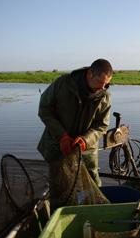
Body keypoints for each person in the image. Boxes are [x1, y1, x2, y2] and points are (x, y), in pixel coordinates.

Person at [37, 59, 112, 209]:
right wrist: (62, 136)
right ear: (90, 74)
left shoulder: (104, 95)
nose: (103, 87)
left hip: (86, 150)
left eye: (107, 84)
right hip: (58, 146)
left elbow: (102, 125)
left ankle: (93, 214)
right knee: (59, 187)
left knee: (93, 185)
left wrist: (85, 140)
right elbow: (44, 110)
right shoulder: (62, 84)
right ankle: (59, 218)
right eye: (100, 82)